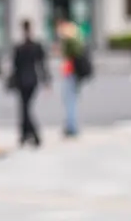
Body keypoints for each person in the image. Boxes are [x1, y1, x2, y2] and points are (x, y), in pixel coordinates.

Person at [10, 19, 50, 147]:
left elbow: (15, 66)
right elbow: (42, 64)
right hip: (31, 79)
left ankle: (32, 134)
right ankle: (26, 134)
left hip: (23, 80)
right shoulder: (34, 46)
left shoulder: (20, 46)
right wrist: (46, 79)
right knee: (25, 108)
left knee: (25, 108)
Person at [55, 11, 85, 137]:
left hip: (71, 71)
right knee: (71, 99)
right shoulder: (76, 33)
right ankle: (70, 125)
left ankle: (71, 126)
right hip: (74, 72)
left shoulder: (68, 36)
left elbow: (67, 55)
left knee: (69, 99)